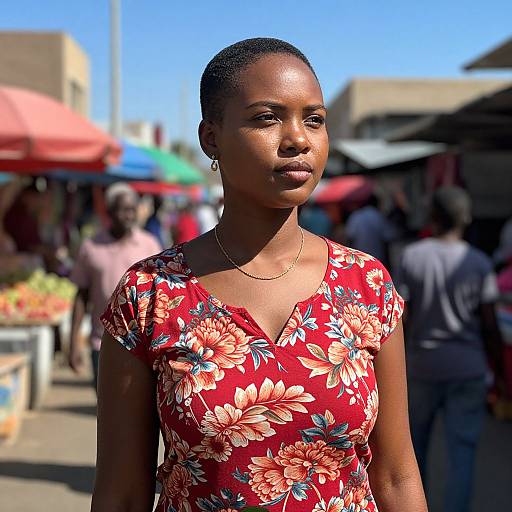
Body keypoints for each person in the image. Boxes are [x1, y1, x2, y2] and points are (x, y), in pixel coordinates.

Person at [92, 38, 426, 512]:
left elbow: (395, 475)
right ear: (211, 138)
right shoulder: (149, 295)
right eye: (267, 117)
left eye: (314, 119)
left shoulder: (367, 286)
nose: (298, 139)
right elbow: (121, 494)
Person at [398, 186, 505, 512]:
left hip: (422, 367)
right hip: (468, 368)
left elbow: (404, 319)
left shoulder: (412, 256)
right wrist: (499, 371)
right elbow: (489, 324)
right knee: (463, 454)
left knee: (414, 454)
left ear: (433, 217)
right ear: (466, 219)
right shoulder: (479, 262)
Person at [68, 182, 161, 390]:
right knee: (105, 410)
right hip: (100, 343)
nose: (128, 216)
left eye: (132, 210)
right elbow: (81, 297)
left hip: (142, 344)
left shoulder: (150, 245)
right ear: (109, 212)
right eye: (122, 210)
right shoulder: (91, 247)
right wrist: (73, 343)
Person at [345, 194, 395, 268]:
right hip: (377, 260)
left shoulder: (356, 216)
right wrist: (388, 264)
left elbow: (350, 239)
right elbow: (386, 240)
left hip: (359, 260)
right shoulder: (379, 217)